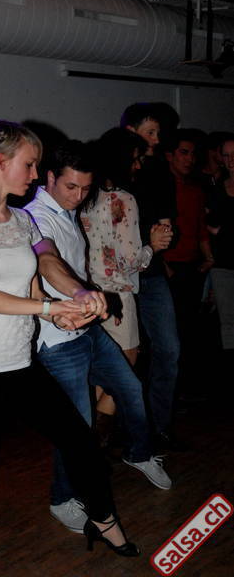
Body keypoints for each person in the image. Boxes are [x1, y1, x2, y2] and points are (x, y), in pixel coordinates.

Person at [0, 120, 139, 577]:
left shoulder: (23, 220)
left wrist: (67, 306)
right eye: (29, 165)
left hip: (18, 363)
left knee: (80, 441)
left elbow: (41, 267)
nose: (34, 175)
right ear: (0, 161)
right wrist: (48, 308)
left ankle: (103, 519)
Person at [25, 138, 171, 536]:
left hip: (86, 326)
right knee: (76, 424)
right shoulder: (36, 216)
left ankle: (139, 453)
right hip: (58, 337)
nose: (78, 196)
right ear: (50, 178)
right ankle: (62, 499)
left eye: (85, 188)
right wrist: (80, 293)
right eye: (71, 186)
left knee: (130, 388)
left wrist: (90, 297)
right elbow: (47, 261)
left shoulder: (68, 209)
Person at [81, 128, 172, 444]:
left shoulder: (85, 197)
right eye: (134, 159)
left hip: (88, 292)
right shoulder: (123, 199)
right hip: (117, 294)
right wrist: (153, 246)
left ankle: (86, 439)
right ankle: (96, 439)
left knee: (99, 371)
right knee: (126, 368)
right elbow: (130, 260)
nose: (137, 165)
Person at [120, 104, 181, 451]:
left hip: (152, 273)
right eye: (150, 133)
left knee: (169, 349)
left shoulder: (159, 169)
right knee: (125, 354)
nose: (156, 140)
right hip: (119, 277)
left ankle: (158, 428)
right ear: (130, 132)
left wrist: (165, 233)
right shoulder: (113, 171)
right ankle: (123, 428)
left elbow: (166, 220)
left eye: (159, 133)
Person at [163, 130, 214, 398]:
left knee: (191, 331)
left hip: (193, 268)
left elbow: (201, 228)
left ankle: (188, 391)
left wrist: (208, 258)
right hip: (169, 268)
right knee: (172, 335)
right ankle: (174, 393)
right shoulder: (161, 188)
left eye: (192, 154)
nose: (189, 159)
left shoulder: (195, 190)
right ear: (169, 155)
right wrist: (163, 266)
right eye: (184, 152)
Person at [206, 135, 234, 378]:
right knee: (228, 321)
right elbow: (207, 223)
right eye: (226, 155)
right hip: (223, 262)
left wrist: (222, 230)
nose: (230, 160)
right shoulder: (216, 188)